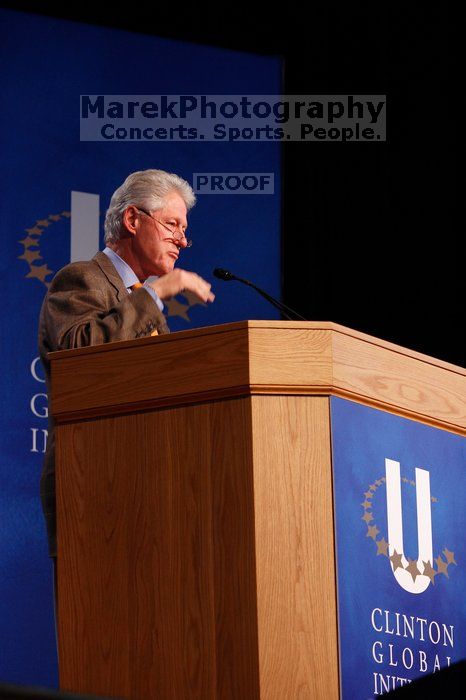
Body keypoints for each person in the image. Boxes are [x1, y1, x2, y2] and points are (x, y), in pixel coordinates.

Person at [38, 169, 215, 560]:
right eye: (172, 224)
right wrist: (155, 294)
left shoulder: (149, 307)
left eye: (184, 229)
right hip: (94, 486)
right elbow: (79, 356)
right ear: (133, 220)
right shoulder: (81, 280)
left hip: (155, 484)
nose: (183, 240)